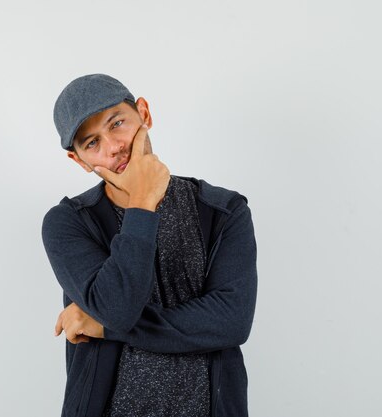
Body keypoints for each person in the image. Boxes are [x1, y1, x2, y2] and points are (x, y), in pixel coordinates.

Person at [41, 74, 258, 417]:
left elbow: (232, 322)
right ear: (79, 160)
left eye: (117, 123)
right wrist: (142, 202)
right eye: (92, 143)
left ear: (144, 113)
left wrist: (104, 328)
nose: (113, 147)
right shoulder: (68, 222)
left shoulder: (224, 211)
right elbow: (119, 308)